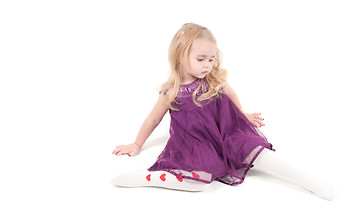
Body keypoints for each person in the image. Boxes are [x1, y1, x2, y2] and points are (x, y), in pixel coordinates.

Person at [112, 23, 334, 200]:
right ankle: (149, 177)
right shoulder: (172, 92)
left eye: (211, 59)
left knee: (257, 151)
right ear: (180, 56)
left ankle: (308, 181)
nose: (207, 65)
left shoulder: (211, 79)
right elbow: (153, 119)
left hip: (226, 132)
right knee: (198, 182)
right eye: (201, 59)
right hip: (196, 143)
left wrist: (242, 115)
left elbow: (230, 93)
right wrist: (137, 144)